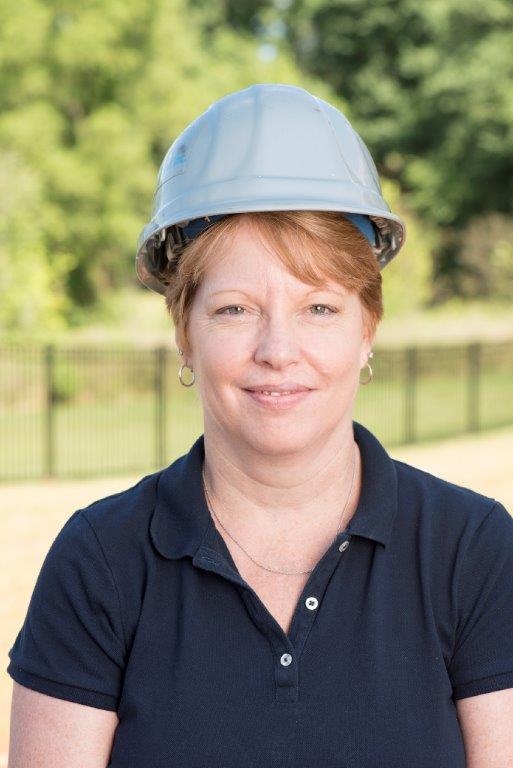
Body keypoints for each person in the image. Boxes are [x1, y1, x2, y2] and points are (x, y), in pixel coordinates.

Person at [6, 84, 513, 767]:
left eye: (319, 309)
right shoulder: (99, 563)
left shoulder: (472, 551)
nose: (278, 350)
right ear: (184, 333)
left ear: (368, 328)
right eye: (235, 310)